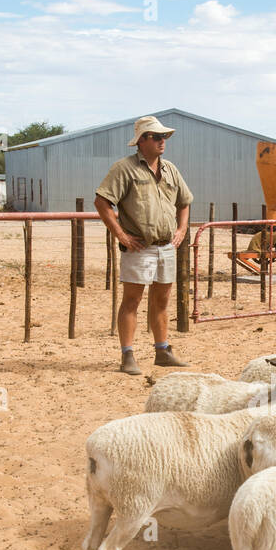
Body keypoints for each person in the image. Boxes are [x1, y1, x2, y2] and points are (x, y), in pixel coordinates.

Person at [94, 116, 193, 374]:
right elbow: (102, 202)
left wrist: (181, 229)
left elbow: (185, 201)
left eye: (164, 137)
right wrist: (121, 235)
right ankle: (127, 355)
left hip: (165, 246)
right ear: (141, 140)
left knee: (162, 300)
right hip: (139, 246)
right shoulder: (124, 168)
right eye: (157, 137)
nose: (163, 141)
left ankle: (162, 350)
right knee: (132, 300)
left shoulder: (170, 169)